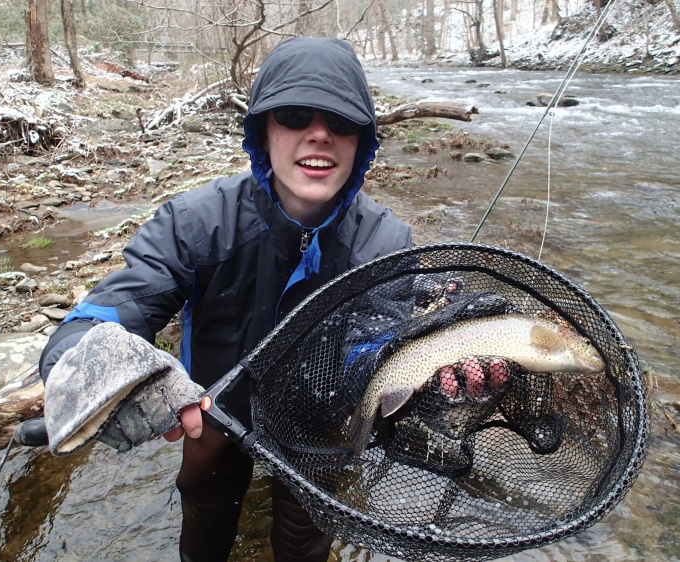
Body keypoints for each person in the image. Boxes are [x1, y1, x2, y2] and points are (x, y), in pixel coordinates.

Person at [38, 36, 412, 562]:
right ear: (263, 130)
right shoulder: (195, 223)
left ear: (362, 140)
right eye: (295, 115)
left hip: (321, 426)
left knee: (306, 539)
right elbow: (100, 315)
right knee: (205, 513)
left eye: (342, 121)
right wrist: (99, 365)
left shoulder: (386, 245)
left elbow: (382, 343)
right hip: (211, 410)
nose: (319, 135)